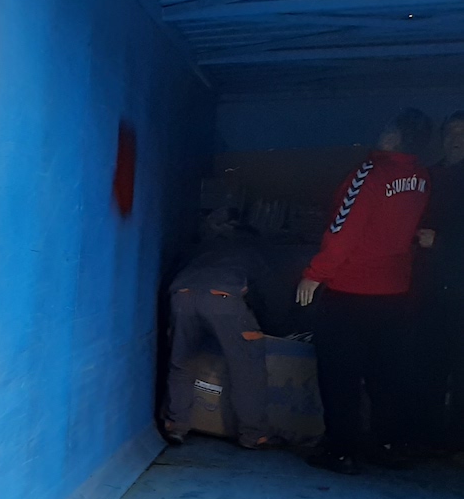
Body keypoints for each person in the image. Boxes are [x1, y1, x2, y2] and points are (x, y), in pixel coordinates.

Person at [297, 109, 434, 474]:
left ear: (394, 136)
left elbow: (343, 230)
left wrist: (314, 274)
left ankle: (341, 450)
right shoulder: (421, 178)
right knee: (386, 374)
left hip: (350, 290)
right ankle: (387, 445)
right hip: (395, 292)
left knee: (340, 374)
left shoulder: (370, 174)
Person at [163, 209, 274, 449]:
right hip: (223, 298)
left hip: (181, 296)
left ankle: (176, 426)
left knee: (181, 363)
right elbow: (264, 295)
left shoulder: (203, 247)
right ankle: (254, 435)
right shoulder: (253, 251)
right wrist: (272, 325)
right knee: (246, 367)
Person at [412, 111, 464, 452]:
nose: (455, 139)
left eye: (462, 133)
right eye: (450, 133)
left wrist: (442, 243)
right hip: (427, 286)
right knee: (428, 362)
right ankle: (425, 436)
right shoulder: (428, 176)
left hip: (460, 288)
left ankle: (456, 440)